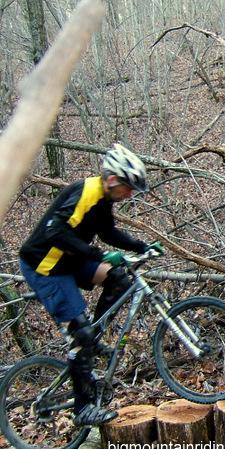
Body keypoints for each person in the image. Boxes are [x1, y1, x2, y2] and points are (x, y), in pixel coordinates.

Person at [19, 143, 163, 426]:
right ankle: (83, 408)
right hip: (45, 266)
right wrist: (97, 255)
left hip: (67, 259)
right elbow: (54, 232)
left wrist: (141, 246)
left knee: (117, 278)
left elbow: (107, 232)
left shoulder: (103, 199)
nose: (129, 194)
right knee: (79, 334)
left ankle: (94, 337)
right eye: (128, 187)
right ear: (112, 179)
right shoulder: (84, 193)